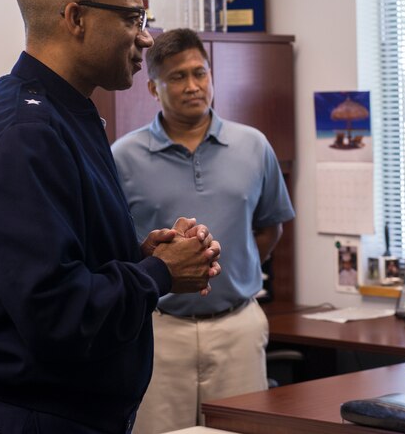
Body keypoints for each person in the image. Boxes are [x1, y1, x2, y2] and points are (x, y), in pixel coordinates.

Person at [0, 0, 222, 434]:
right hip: (32, 419)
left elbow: (59, 265)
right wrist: (157, 273)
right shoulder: (26, 134)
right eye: (134, 18)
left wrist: (141, 257)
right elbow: (57, 313)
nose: (146, 38)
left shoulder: (63, 115)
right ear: (76, 18)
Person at [111, 27, 295, 434]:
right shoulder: (122, 157)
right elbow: (115, 249)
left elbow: (269, 229)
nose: (193, 86)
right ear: (153, 89)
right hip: (159, 329)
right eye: (177, 77)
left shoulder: (254, 146)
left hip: (236, 327)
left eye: (201, 73)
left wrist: (229, 271)